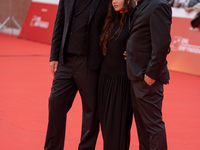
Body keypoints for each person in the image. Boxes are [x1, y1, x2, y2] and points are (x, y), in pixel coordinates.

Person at [44, 0, 109, 150]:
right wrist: (54, 55)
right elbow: (59, 22)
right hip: (65, 61)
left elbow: (115, 23)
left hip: (90, 63)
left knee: (91, 113)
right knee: (55, 104)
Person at [126, 0, 172, 149]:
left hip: (147, 77)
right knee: (143, 127)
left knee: (152, 126)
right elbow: (143, 37)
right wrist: (131, 54)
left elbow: (162, 44)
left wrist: (151, 75)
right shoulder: (142, 4)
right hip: (136, 74)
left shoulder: (159, 5)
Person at [98, 0, 135, 149]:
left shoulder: (135, 18)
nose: (114, 1)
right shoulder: (111, 18)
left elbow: (148, 41)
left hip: (122, 79)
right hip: (105, 78)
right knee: (106, 125)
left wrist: (136, 53)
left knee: (117, 127)